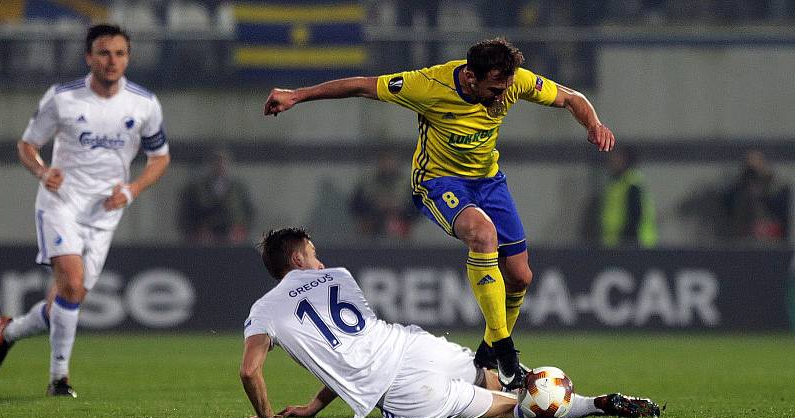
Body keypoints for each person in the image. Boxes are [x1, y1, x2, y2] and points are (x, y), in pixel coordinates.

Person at [263, 38, 615, 389]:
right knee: (482, 234)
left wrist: (593, 124)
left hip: (489, 182)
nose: (501, 97)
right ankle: (505, 352)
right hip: (438, 181)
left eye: (506, 88)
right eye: (494, 89)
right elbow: (361, 86)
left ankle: (487, 354)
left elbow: (572, 98)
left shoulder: (513, 81)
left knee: (521, 277)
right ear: (471, 78)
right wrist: (297, 95)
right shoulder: (427, 84)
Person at [240, 227, 660, 418]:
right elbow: (358, 349)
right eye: (313, 254)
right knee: (496, 376)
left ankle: (577, 408)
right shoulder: (339, 277)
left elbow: (251, 370)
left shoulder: (266, 310)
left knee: (513, 409)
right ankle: (587, 399)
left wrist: (265, 417)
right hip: (413, 346)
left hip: (402, 391)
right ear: (298, 261)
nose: (321, 262)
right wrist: (315, 405)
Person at [0, 24, 171, 397]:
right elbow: (27, 145)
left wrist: (133, 189)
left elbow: (160, 157)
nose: (112, 61)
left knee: (69, 299)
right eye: (104, 53)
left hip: (106, 212)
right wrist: (43, 171)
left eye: (120, 53)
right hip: (62, 203)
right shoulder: (62, 99)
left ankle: (7, 332)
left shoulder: (144, 104)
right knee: (71, 284)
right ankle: (59, 378)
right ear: (88, 57)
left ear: (128, 58)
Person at [178, 148, 255, 245]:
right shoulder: (195, 189)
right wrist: (196, 232)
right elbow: (186, 215)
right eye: (216, 162)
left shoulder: (239, 189)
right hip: (204, 241)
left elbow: (249, 214)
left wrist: (240, 231)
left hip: (233, 240)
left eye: (222, 162)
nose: (220, 165)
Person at [721, 150, 789, 243]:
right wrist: (742, 182)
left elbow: (780, 211)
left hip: (769, 233)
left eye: (758, 163)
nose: (753, 171)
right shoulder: (739, 187)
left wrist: (764, 187)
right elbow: (729, 207)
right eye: (750, 166)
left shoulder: (776, 186)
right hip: (743, 232)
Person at [599, 146, 658, 248]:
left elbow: (635, 217)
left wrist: (626, 241)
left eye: (617, 158)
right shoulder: (615, 184)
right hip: (614, 244)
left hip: (633, 243)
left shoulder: (632, 184)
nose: (612, 162)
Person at [348, 154, 417, 239]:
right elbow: (355, 205)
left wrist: (400, 212)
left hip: (399, 228)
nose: (387, 164)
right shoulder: (367, 182)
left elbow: (415, 209)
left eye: (390, 160)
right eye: (384, 160)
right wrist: (373, 207)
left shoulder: (406, 185)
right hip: (370, 228)